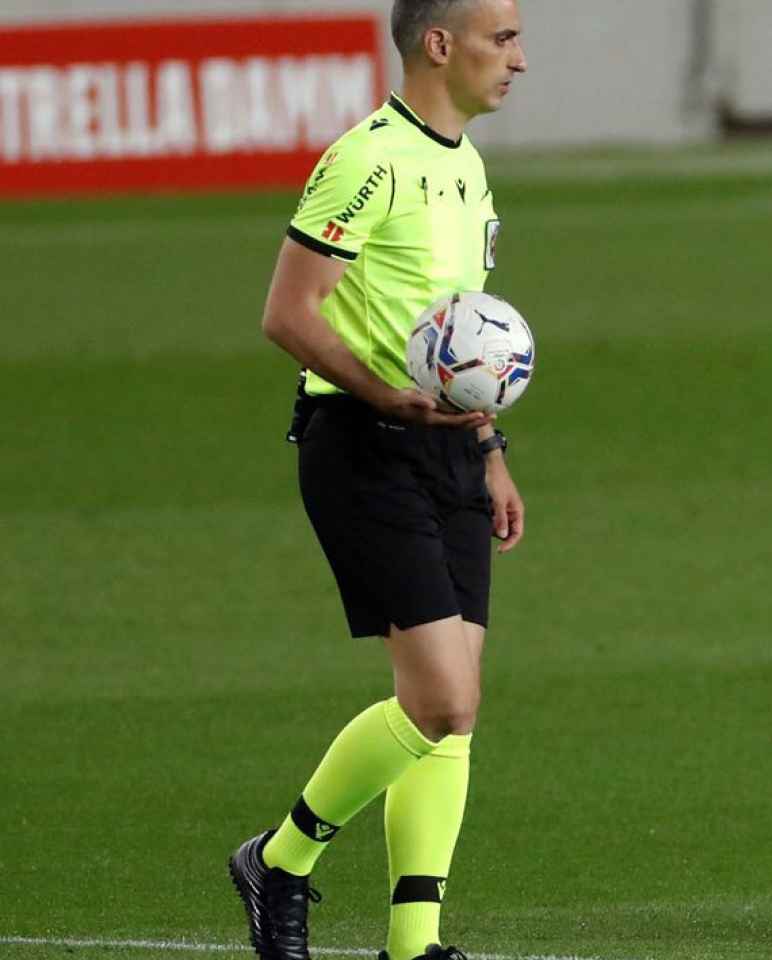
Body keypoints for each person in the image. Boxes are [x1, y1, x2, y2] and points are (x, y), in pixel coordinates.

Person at [227, 4, 527, 960]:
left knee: (454, 706)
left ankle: (413, 940)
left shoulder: (468, 163)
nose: (519, 58)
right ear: (439, 44)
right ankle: (280, 859)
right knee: (443, 701)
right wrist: (384, 397)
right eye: (503, 38)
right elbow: (288, 311)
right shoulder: (368, 159)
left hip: (445, 448)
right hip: (360, 439)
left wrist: (488, 453)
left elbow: (459, 336)